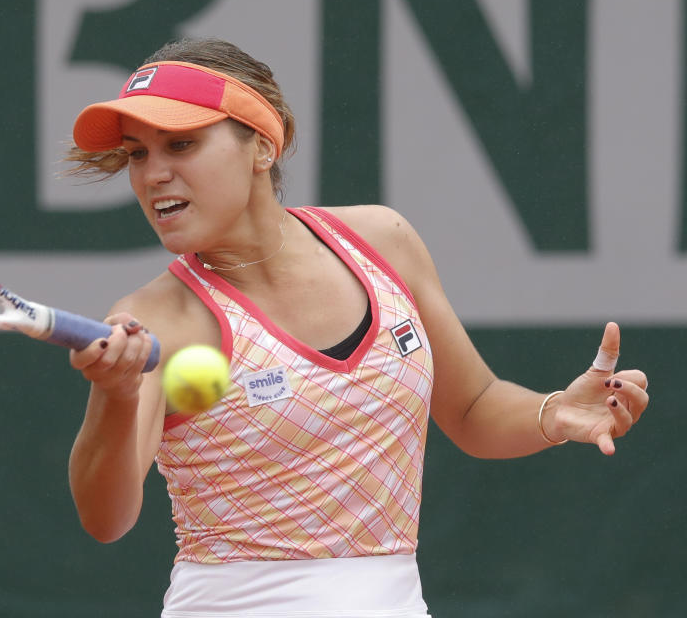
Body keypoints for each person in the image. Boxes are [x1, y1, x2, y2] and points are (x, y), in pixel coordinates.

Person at [63, 38, 649, 617]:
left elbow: (473, 409)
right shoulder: (158, 319)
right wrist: (113, 394)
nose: (153, 174)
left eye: (181, 144)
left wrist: (555, 413)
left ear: (262, 146)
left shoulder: (382, 241)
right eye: (137, 153)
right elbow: (106, 519)